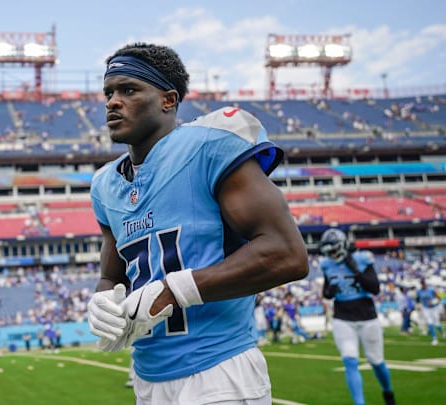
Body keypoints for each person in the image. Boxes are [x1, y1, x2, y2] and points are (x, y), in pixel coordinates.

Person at [86, 42, 309, 404]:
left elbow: (287, 254)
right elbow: (114, 276)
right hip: (148, 378)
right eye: (109, 92)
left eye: (128, 90)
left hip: (219, 370)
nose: (112, 101)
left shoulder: (210, 145)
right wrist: (102, 301)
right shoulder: (104, 186)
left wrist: (174, 291)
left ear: (168, 100)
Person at [319, 228, 396, 405]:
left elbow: (374, 288)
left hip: (367, 316)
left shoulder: (362, 259)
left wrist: (355, 270)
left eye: (332, 249)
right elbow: (327, 293)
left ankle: (388, 392)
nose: (330, 253)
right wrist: (330, 290)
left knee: (376, 361)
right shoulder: (326, 264)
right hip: (342, 317)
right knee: (350, 360)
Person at [416, 278, 443, 345]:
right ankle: (434, 338)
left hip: (434, 308)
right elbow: (418, 299)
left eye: (423, 283)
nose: (423, 285)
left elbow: (439, 298)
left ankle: (442, 331)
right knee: (430, 323)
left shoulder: (431, 290)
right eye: (422, 284)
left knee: (437, 324)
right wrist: (418, 305)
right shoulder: (419, 291)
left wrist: (433, 302)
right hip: (426, 309)